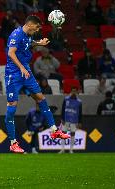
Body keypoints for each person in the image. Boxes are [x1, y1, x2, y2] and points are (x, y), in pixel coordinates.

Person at [5, 15, 70, 153]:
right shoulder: (16, 34)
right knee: (12, 106)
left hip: (26, 71)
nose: (37, 29)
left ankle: (54, 130)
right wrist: (21, 67)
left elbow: (29, 43)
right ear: (29, 25)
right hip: (14, 73)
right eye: (37, 27)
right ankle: (13, 142)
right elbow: (11, 53)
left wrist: (39, 43)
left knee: (41, 98)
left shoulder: (28, 35)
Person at [59, 87, 82, 154]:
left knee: (72, 134)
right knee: (63, 133)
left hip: (74, 120)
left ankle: (71, 149)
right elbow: (63, 109)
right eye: (72, 91)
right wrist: (62, 118)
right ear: (70, 92)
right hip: (66, 119)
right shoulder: (66, 99)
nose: (73, 93)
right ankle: (62, 149)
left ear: (77, 92)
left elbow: (80, 112)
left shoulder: (79, 102)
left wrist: (80, 122)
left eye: (75, 91)